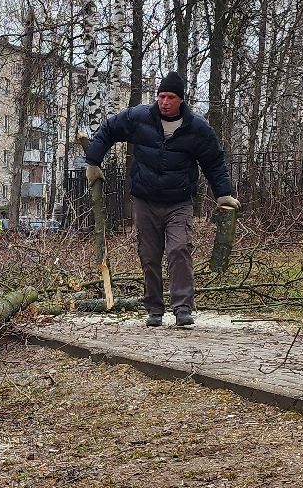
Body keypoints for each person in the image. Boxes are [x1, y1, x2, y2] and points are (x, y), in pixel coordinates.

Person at [84, 72, 239, 327]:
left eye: (170, 97)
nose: (164, 102)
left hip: (179, 201)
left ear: (181, 100)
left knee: (179, 249)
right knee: (149, 254)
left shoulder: (197, 128)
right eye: (161, 96)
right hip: (145, 199)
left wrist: (223, 193)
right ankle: (154, 308)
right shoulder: (139, 117)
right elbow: (109, 129)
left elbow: (214, 162)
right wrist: (93, 161)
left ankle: (182, 308)